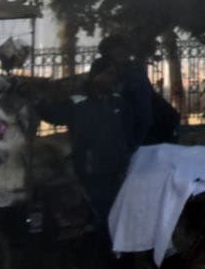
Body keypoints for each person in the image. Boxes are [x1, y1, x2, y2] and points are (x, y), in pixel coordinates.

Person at [35, 59, 136, 265]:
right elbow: (51, 114)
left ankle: (119, 258)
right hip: (92, 172)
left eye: (113, 74)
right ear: (95, 76)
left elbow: (127, 129)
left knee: (118, 216)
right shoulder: (77, 103)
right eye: (108, 73)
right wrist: (38, 100)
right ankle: (103, 259)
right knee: (100, 218)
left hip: (118, 170)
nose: (112, 78)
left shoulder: (116, 101)